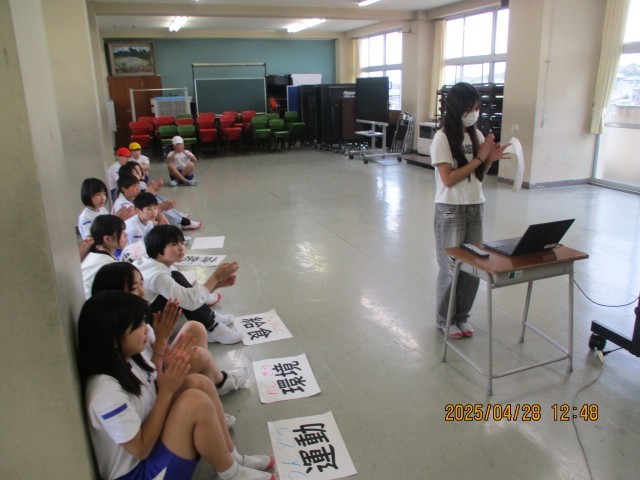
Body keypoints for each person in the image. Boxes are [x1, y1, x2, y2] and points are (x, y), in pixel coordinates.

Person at [77, 291, 275, 480]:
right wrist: (167, 391)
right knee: (195, 402)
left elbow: (152, 393)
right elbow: (141, 449)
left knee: (198, 383)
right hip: (138, 472)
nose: (146, 329)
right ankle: (231, 473)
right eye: (137, 326)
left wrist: (167, 366)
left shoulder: (129, 358)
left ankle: (231, 457)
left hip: (151, 448)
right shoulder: (106, 393)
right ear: (113, 340)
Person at [91, 262, 249, 399]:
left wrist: (163, 343)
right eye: (134, 288)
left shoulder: (136, 317)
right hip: (156, 387)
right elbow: (152, 377)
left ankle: (213, 385)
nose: (143, 292)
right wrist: (162, 339)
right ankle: (216, 384)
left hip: (156, 368)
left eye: (142, 284)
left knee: (194, 328)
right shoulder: (127, 333)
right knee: (198, 357)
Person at [430, 82, 509, 339]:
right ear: (457, 108)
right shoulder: (442, 138)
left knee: (474, 265)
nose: (474, 113)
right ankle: (445, 319)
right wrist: (479, 157)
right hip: (451, 209)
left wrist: (488, 161)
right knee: (451, 266)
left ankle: (462, 316)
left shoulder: (476, 136)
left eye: (477, 108)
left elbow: (478, 177)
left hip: (475, 205)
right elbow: (449, 179)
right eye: (470, 108)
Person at [136, 225, 242, 344]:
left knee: (176, 277)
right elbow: (189, 301)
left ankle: (209, 316)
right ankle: (212, 329)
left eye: (182, 242)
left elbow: (187, 293)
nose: (181, 248)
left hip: (149, 309)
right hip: (146, 323)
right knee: (185, 295)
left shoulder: (154, 262)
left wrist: (216, 284)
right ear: (157, 249)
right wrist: (216, 277)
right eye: (174, 244)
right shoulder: (157, 275)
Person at [120, 161, 201, 231]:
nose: (140, 173)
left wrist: (153, 191)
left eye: (139, 171)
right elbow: (139, 207)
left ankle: (177, 220)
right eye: (136, 172)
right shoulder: (124, 199)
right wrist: (159, 205)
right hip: (139, 225)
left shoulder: (136, 186)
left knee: (155, 200)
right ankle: (179, 223)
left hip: (142, 219)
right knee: (154, 204)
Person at [80, 214, 127, 298]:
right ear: (107, 239)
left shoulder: (92, 255)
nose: (126, 234)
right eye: (121, 232)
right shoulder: (110, 265)